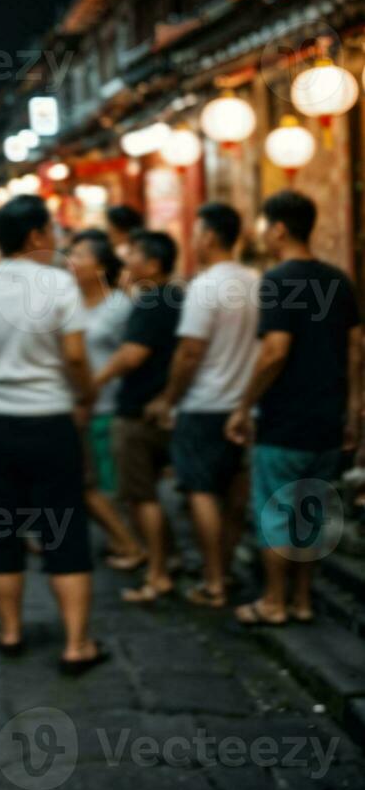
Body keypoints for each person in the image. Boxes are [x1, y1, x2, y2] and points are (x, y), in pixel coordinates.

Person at [0, 195, 103, 674]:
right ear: (38, 235)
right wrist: (85, 397)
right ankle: (77, 644)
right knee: (65, 529)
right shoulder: (61, 285)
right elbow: (76, 357)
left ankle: (11, 632)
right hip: (49, 421)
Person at [227, 191, 361, 626]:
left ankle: (273, 602)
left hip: (285, 419)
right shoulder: (339, 280)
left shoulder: (279, 280)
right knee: (311, 514)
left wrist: (243, 406)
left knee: (276, 514)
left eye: (266, 226)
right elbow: (357, 349)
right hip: (328, 418)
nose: (264, 235)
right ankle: (301, 601)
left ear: (279, 229)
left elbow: (274, 352)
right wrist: (354, 412)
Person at [145, 203, 257, 607]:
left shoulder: (205, 287)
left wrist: (168, 399)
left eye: (196, 233)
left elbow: (190, 353)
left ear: (209, 237)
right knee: (233, 493)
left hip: (205, 403)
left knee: (201, 490)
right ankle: (223, 569)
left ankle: (213, 581)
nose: (194, 240)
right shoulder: (257, 281)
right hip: (246, 405)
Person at [94, 231, 184, 605]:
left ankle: (158, 574)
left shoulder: (152, 304)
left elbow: (132, 355)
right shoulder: (177, 297)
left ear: (153, 265)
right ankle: (171, 558)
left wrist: (93, 383)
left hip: (138, 412)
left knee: (140, 495)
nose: (126, 261)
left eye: (132, 255)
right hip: (166, 407)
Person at [66, 229, 143, 569]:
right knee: (84, 478)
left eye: (80, 255)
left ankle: (129, 542)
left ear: (100, 266)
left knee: (108, 481)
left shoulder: (120, 307)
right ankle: (121, 539)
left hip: (108, 405)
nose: (72, 262)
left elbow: (132, 356)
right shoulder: (66, 302)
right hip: (71, 404)